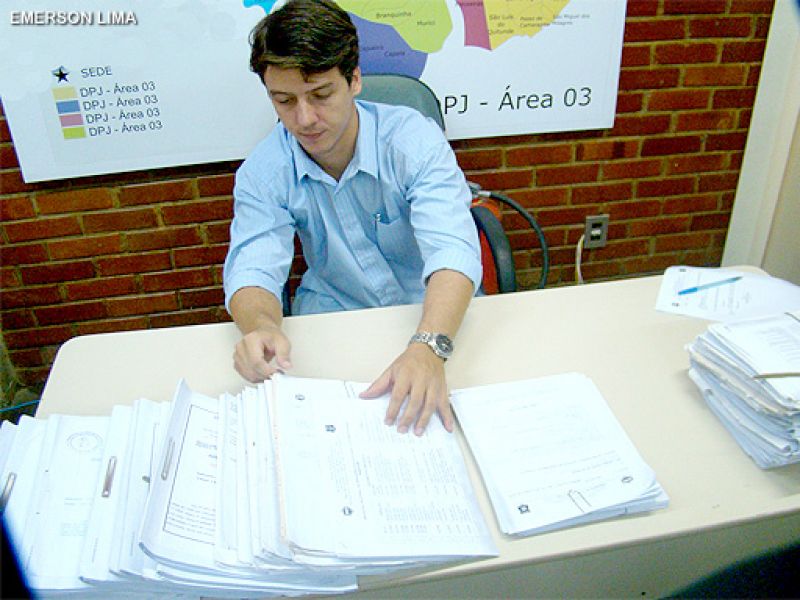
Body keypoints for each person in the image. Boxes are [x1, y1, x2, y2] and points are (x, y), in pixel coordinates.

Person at [223, 0, 482, 436]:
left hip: (429, 313)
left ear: (354, 79)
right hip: (333, 316)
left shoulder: (413, 140)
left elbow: (453, 249)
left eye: (321, 95)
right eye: (284, 101)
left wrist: (429, 346)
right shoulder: (263, 171)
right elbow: (252, 269)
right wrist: (261, 327)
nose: (304, 119)